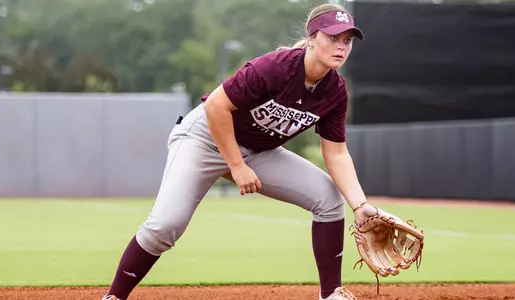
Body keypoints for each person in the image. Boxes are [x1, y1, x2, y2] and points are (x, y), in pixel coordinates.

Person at [103, 3, 379, 300]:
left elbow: (336, 153)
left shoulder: (335, 91)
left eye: (347, 40)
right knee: (166, 225)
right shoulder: (276, 67)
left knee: (328, 198)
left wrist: (359, 204)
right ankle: (114, 296)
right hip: (205, 137)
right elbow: (216, 106)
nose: (341, 46)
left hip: (257, 150)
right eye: (332, 37)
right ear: (312, 37)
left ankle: (331, 294)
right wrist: (236, 165)